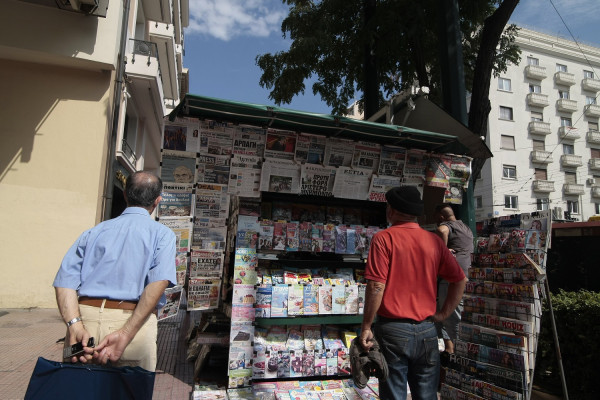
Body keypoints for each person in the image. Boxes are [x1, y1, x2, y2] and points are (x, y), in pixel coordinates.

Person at [53, 171, 176, 371]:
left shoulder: (94, 231)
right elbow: (158, 282)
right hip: (132, 323)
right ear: (158, 201)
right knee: (130, 389)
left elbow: (65, 281)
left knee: (74, 384)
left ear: (126, 195)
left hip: (83, 324)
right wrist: (126, 332)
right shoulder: (162, 235)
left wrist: (74, 325)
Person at [359, 187, 467, 400]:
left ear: (392, 210)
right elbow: (459, 279)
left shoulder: (384, 238)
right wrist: (443, 314)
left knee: (394, 394)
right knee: (426, 395)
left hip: (393, 331)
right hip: (427, 329)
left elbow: (376, 286)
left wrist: (366, 327)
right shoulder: (434, 241)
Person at [434, 204, 474, 354]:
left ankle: (459, 354)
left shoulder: (446, 226)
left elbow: (441, 230)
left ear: (441, 217)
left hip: (453, 280)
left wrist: (443, 251)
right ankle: (451, 351)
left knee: (452, 316)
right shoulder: (465, 227)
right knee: (445, 317)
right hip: (467, 276)